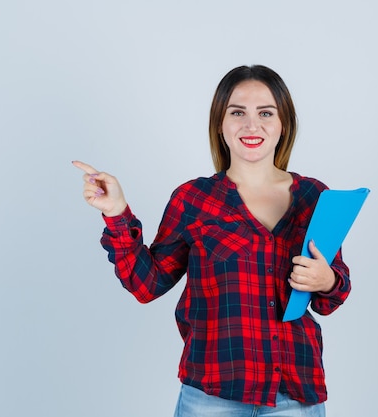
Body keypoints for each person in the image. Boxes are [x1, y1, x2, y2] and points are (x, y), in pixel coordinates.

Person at [73, 65, 351, 416]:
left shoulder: (315, 196)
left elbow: (331, 295)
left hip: (294, 393)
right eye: (238, 113)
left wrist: (327, 280)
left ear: (284, 124)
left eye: (266, 113)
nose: (252, 126)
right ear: (220, 123)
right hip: (211, 395)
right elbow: (146, 285)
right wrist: (116, 212)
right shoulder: (194, 199)